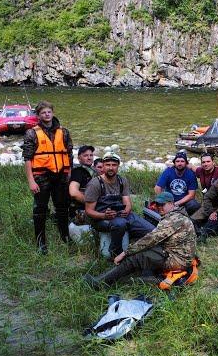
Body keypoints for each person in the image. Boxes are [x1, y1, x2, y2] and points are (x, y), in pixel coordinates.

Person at [83, 192, 196, 288]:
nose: (159, 207)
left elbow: (151, 238)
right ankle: (144, 274)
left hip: (176, 259)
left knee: (135, 257)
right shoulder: (178, 214)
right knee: (140, 249)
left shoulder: (174, 219)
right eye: (157, 204)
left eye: (163, 204)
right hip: (179, 255)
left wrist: (124, 253)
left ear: (171, 204)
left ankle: (99, 283)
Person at [23, 101, 73, 254]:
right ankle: (41, 242)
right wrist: (31, 181)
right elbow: (27, 158)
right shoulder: (32, 133)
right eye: (43, 112)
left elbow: (69, 153)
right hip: (41, 176)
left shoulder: (63, 132)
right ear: (38, 115)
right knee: (40, 209)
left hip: (61, 176)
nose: (47, 114)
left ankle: (65, 237)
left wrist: (69, 173)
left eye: (49, 112)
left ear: (52, 113)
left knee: (62, 208)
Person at [84, 152, 155, 259]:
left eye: (114, 165)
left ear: (118, 166)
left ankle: (136, 246)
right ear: (103, 166)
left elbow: (127, 202)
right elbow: (89, 211)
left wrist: (126, 210)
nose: (111, 168)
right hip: (100, 218)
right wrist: (104, 216)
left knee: (152, 230)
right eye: (108, 165)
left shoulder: (122, 181)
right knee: (120, 224)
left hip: (121, 214)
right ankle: (115, 254)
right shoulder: (95, 184)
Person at [154, 151, 200, 216]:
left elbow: (191, 195)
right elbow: (157, 188)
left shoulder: (190, 174)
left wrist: (175, 204)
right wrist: (164, 201)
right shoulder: (168, 171)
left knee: (194, 204)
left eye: (182, 161)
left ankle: (187, 218)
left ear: (186, 163)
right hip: (169, 201)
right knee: (157, 206)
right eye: (177, 161)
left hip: (184, 202)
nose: (180, 163)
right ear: (174, 163)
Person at [69, 145, 96, 224]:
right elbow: (73, 192)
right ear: (79, 158)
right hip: (79, 211)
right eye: (85, 155)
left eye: (91, 155)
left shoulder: (92, 171)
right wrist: (90, 203)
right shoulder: (78, 172)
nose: (89, 158)